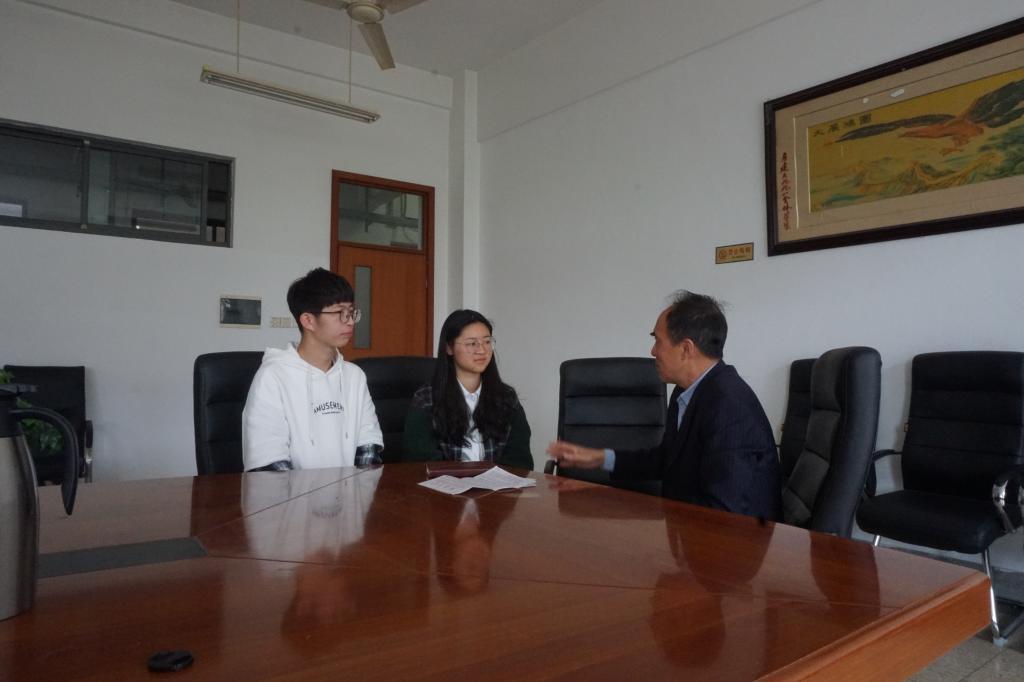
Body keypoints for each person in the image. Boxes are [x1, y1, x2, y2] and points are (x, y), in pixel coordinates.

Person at [547, 291, 781, 520]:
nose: (653, 351)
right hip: (688, 529)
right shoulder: (687, 390)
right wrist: (599, 458)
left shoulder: (729, 407)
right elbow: (666, 459)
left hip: (728, 539)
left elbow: (724, 513)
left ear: (686, 349)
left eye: (657, 340)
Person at [242, 267, 383, 471]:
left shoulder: (355, 376)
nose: (351, 321)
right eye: (340, 313)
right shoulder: (273, 377)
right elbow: (268, 465)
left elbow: (369, 445)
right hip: (291, 492)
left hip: (349, 491)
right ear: (308, 320)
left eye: (351, 312)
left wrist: (358, 488)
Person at [402, 309, 533, 469]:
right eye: (472, 343)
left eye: (487, 342)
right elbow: (421, 462)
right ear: (449, 348)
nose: (482, 350)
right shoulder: (426, 399)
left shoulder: (506, 398)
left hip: (497, 485)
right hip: (443, 484)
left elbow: (520, 461)